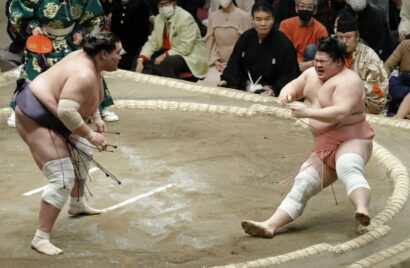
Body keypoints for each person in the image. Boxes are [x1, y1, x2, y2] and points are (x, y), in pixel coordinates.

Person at [241, 36, 375, 238]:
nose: (318, 65)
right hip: (324, 145)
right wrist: (286, 94)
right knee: (303, 182)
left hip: (352, 140)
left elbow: (340, 112)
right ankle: (269, 226)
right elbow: (294, 86)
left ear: (338, 62)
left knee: (347, 165)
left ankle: (362, 208)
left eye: (323, 62)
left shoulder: (350, 81)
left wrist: (307, 113)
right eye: (316, 60)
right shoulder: (311, 75)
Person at [14, 32, 122, 255]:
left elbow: (85, 97)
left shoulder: (91, 62)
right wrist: (91, 135)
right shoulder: (83, 73)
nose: (121, 56)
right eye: (118, 53)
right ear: (103, 54)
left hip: (54, 114)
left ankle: (77, 204)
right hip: (35, 116)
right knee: (62, 176)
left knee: (82, 150)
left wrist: (96, 118)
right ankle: (41, 237)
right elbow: (66, 110)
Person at [7, 0, 119, 128]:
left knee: (88, 68)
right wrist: (33, 26)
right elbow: (19, 10)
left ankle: (99, 106)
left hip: (70, 40)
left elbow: (93, 13)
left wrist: (80, 30)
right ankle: (18, 109)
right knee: (32, 71)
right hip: (43, 40)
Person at [218, 1, 300, 96]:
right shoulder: (246, 37)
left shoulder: (283, 43)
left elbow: (290, 75)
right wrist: (226, 79)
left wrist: (275, 89)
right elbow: (234, 64)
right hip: (244, 86)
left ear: (273, 19)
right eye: (258, 19)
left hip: (269, 90)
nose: (263, 23)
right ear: (252, 20)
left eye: (267, 19)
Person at [135, 0, 208, 80]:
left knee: (167, 61)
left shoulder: (186, 18)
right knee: (143, 54)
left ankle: (167, 89)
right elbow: (152, 42)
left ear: (174, 3)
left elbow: (186, 47)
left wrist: (164, 55)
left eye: (166, 4)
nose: (163, 7)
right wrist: (141, 59)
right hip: (168, 51)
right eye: (161, 5)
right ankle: (143, 82)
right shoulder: (159, 18)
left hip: (188, 55)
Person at [336, 11, 389, 115]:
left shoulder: (370, 57)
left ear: (357, 37)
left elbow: (377, 93)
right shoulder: (332, 54)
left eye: (348, 37)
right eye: (340, 37)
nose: (344, 41)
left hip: (368, 108)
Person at [200, 0, 251, 85]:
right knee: (211, 82)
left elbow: (248, 46)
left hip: (237, 65)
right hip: (218, 64)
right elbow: (210, 43)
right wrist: (215, 61)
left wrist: (232, 64)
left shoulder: (243, 16)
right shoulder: (213, 16)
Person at [279, 0, 328, 72]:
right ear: (296, 8)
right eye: (302, 6)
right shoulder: (285, 25)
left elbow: (326, 56)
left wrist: (310, 64)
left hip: (310, 69)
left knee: (311, 49)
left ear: (315, 10)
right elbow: (282, 51)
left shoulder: (321, 30)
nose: (305, 9)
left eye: (309, 7)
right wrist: (297, 64)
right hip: (289, 65)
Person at [109, 0, 150, 70]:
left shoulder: (141, 6)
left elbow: (138, 33)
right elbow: (113, 30)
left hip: (134, 48)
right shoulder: (116, 4)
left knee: (122, 62)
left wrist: (123, 49)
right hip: (118, 45)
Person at [384, 39, 410, 118]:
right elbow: (387, 66)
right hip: (404, 81)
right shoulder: (405, 44)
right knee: (393, 86)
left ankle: (400, 115)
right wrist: (381, 79)